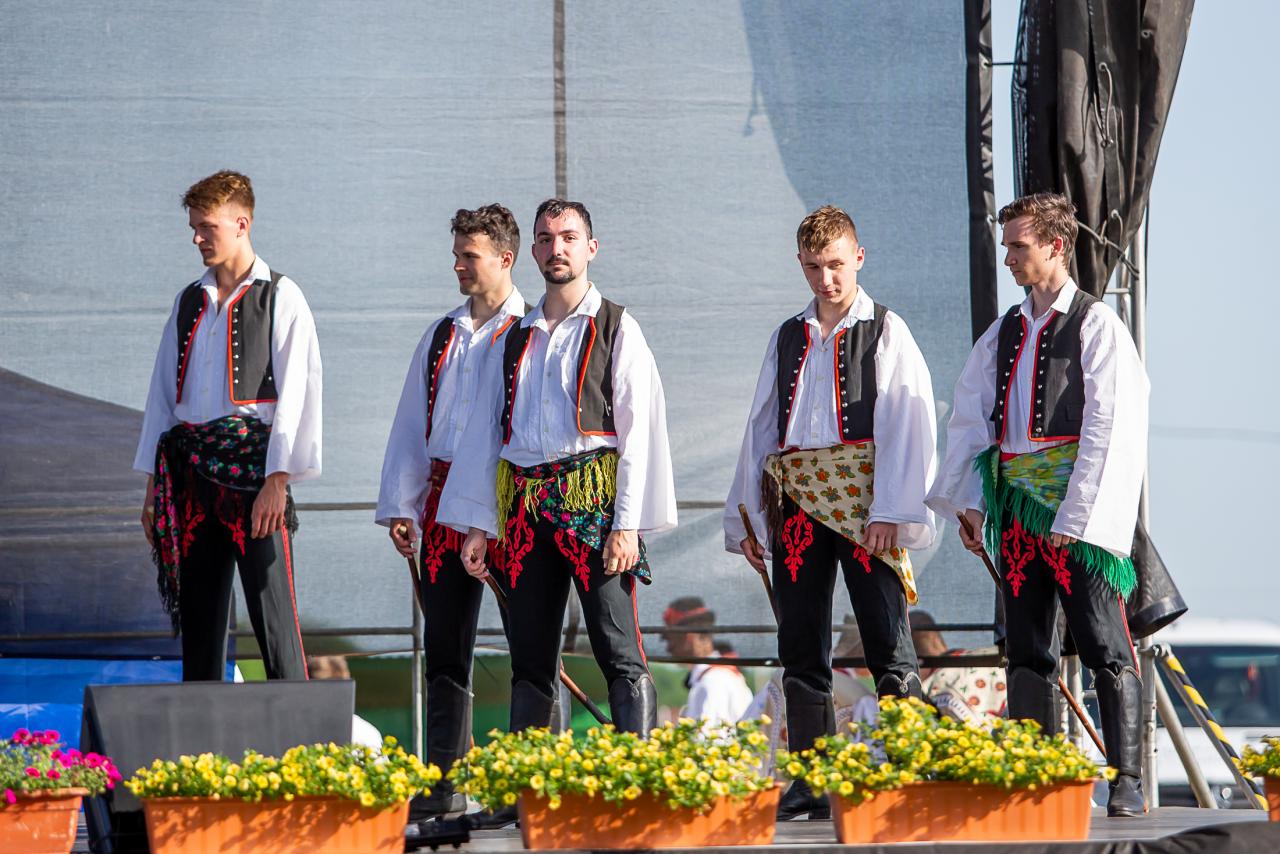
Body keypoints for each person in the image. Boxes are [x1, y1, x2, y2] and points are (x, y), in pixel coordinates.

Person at [438, 198, 677, 828]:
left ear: (591, 247)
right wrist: (478, 525)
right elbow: (485, 433)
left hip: (592, 504)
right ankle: (527, 796)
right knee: (530, 655)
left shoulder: (617, 325)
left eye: (568, 237)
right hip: (523, 508)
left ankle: (636, 789)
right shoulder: (514, 335)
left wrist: (628, 525)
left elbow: (640, 431)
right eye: (545, 239)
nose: (556, 249)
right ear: (533, 251)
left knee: (617, 647)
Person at [926, 192, 1149, 817]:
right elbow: (971, 420)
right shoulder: (1003, 332)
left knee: (1104, 644)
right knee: (1025, 646)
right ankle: (1037, 776)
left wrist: (1078, 518)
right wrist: (972, 504)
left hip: (1077, 514)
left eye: (1018, 246)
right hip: (1019, 512)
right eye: (1006, 246)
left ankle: (1126, 779)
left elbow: (1111, 427)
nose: (1008, 258)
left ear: (1055, 245)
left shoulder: (1097, 325)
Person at [724, 205, 938, 820]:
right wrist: (746, 518)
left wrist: (892, 509)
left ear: (859, 257)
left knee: (886, 638)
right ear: (801, 264)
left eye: (837, 265)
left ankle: (908, 772)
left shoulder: (886, 329)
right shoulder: (787, 336)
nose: (827, 279)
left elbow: (909, 422)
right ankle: (810, 781)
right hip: (795, 501)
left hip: (867, 504)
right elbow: (762, 427)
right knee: (800, 642)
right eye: (815, 267)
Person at [135, 170, 321, 682]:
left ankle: (298, 727)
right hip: (191, 480)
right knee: (200, 623)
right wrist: (153, 490)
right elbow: (162, 399)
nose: (197, 238)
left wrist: (277, 481)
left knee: (274, 618)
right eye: (194, 228)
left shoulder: (281, 296)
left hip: (253, 479)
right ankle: (202, 732)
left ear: (242, 223)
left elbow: (299, 396)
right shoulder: (188, 301)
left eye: (207, 227)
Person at [375, 205, 527, 817]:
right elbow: (413, 421)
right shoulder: (441, 334)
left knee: (529, 645)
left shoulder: (531, 330)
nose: (459, 265)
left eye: (471, 255)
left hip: (508, 504)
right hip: (440, 504)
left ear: (505, 259)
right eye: (457, 254)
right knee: (444, 643)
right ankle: (445, 781)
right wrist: (403, 504)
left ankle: (528, 784)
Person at [661, 597, 752, 726]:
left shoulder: (713, 681)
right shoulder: (716, 677)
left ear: (688, 636)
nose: (668, 648)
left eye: (670, 639)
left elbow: (709, 737)